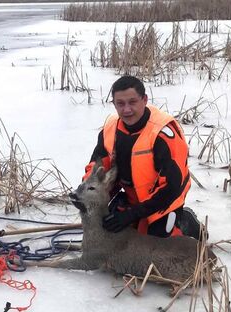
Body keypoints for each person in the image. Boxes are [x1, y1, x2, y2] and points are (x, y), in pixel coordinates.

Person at [84, 75, 201, 239]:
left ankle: (184, 222)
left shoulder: (163, 135)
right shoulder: (110, 128)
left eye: (132, 102)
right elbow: (97, 168)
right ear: (114, 104)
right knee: (108, 232)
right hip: (132, 196)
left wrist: (132, 214)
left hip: (165, 199)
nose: (126, 110)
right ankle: (131, 213)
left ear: (144, 100)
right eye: (120, 104)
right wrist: (87, 193)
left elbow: (171, 188)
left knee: (156, 243)